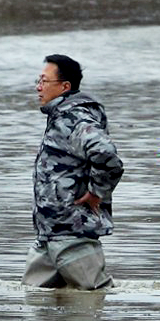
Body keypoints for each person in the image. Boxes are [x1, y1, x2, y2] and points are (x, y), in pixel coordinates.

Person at [24, 54, 123, 289]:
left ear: (64, 86)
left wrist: (97, 191)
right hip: (49, 235)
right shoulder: (58, 117)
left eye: (44, 81)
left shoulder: (74, 117)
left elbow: (107, 155)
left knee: (94, 300)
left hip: (73, 235)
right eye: (37, 81)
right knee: (36, 302)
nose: (38, 87)